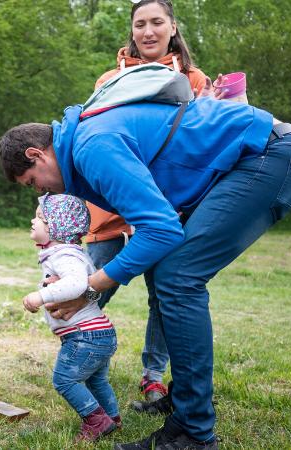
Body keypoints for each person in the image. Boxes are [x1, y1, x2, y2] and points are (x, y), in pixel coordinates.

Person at [0, 97, 291, 449]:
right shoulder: (84, 147)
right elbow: (154, 225)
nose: (41, 191)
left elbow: (161, 230)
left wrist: (88, 288)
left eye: (32, 183)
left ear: (35, 155)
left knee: (178, 277)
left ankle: (193, 432)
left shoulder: (92, 146)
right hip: (253, 158)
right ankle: (185, 402)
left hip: (268, 155)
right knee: (168, 271)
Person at [89, 0, 210, 405]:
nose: (148, 31)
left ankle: (153, 374)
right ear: (132, 32)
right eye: (140, 24)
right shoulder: (110, 79)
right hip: (110, 202)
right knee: (92, 285)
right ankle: (83, 357)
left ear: (172, 27)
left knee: (164, 291)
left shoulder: (194, 80)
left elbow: (200, 142)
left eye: (157, 22)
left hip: (168, 203)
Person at [21, 193, 119, 442]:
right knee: (97, 381)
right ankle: (112, 417)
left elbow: (77, 284)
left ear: (57, 228)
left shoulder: (63, 256)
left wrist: (40, 297)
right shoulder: (70, 253)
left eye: (41, 218)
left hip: (84, 336)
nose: (34, 221)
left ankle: (96, 421)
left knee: (64, 380)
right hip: (98, 334)